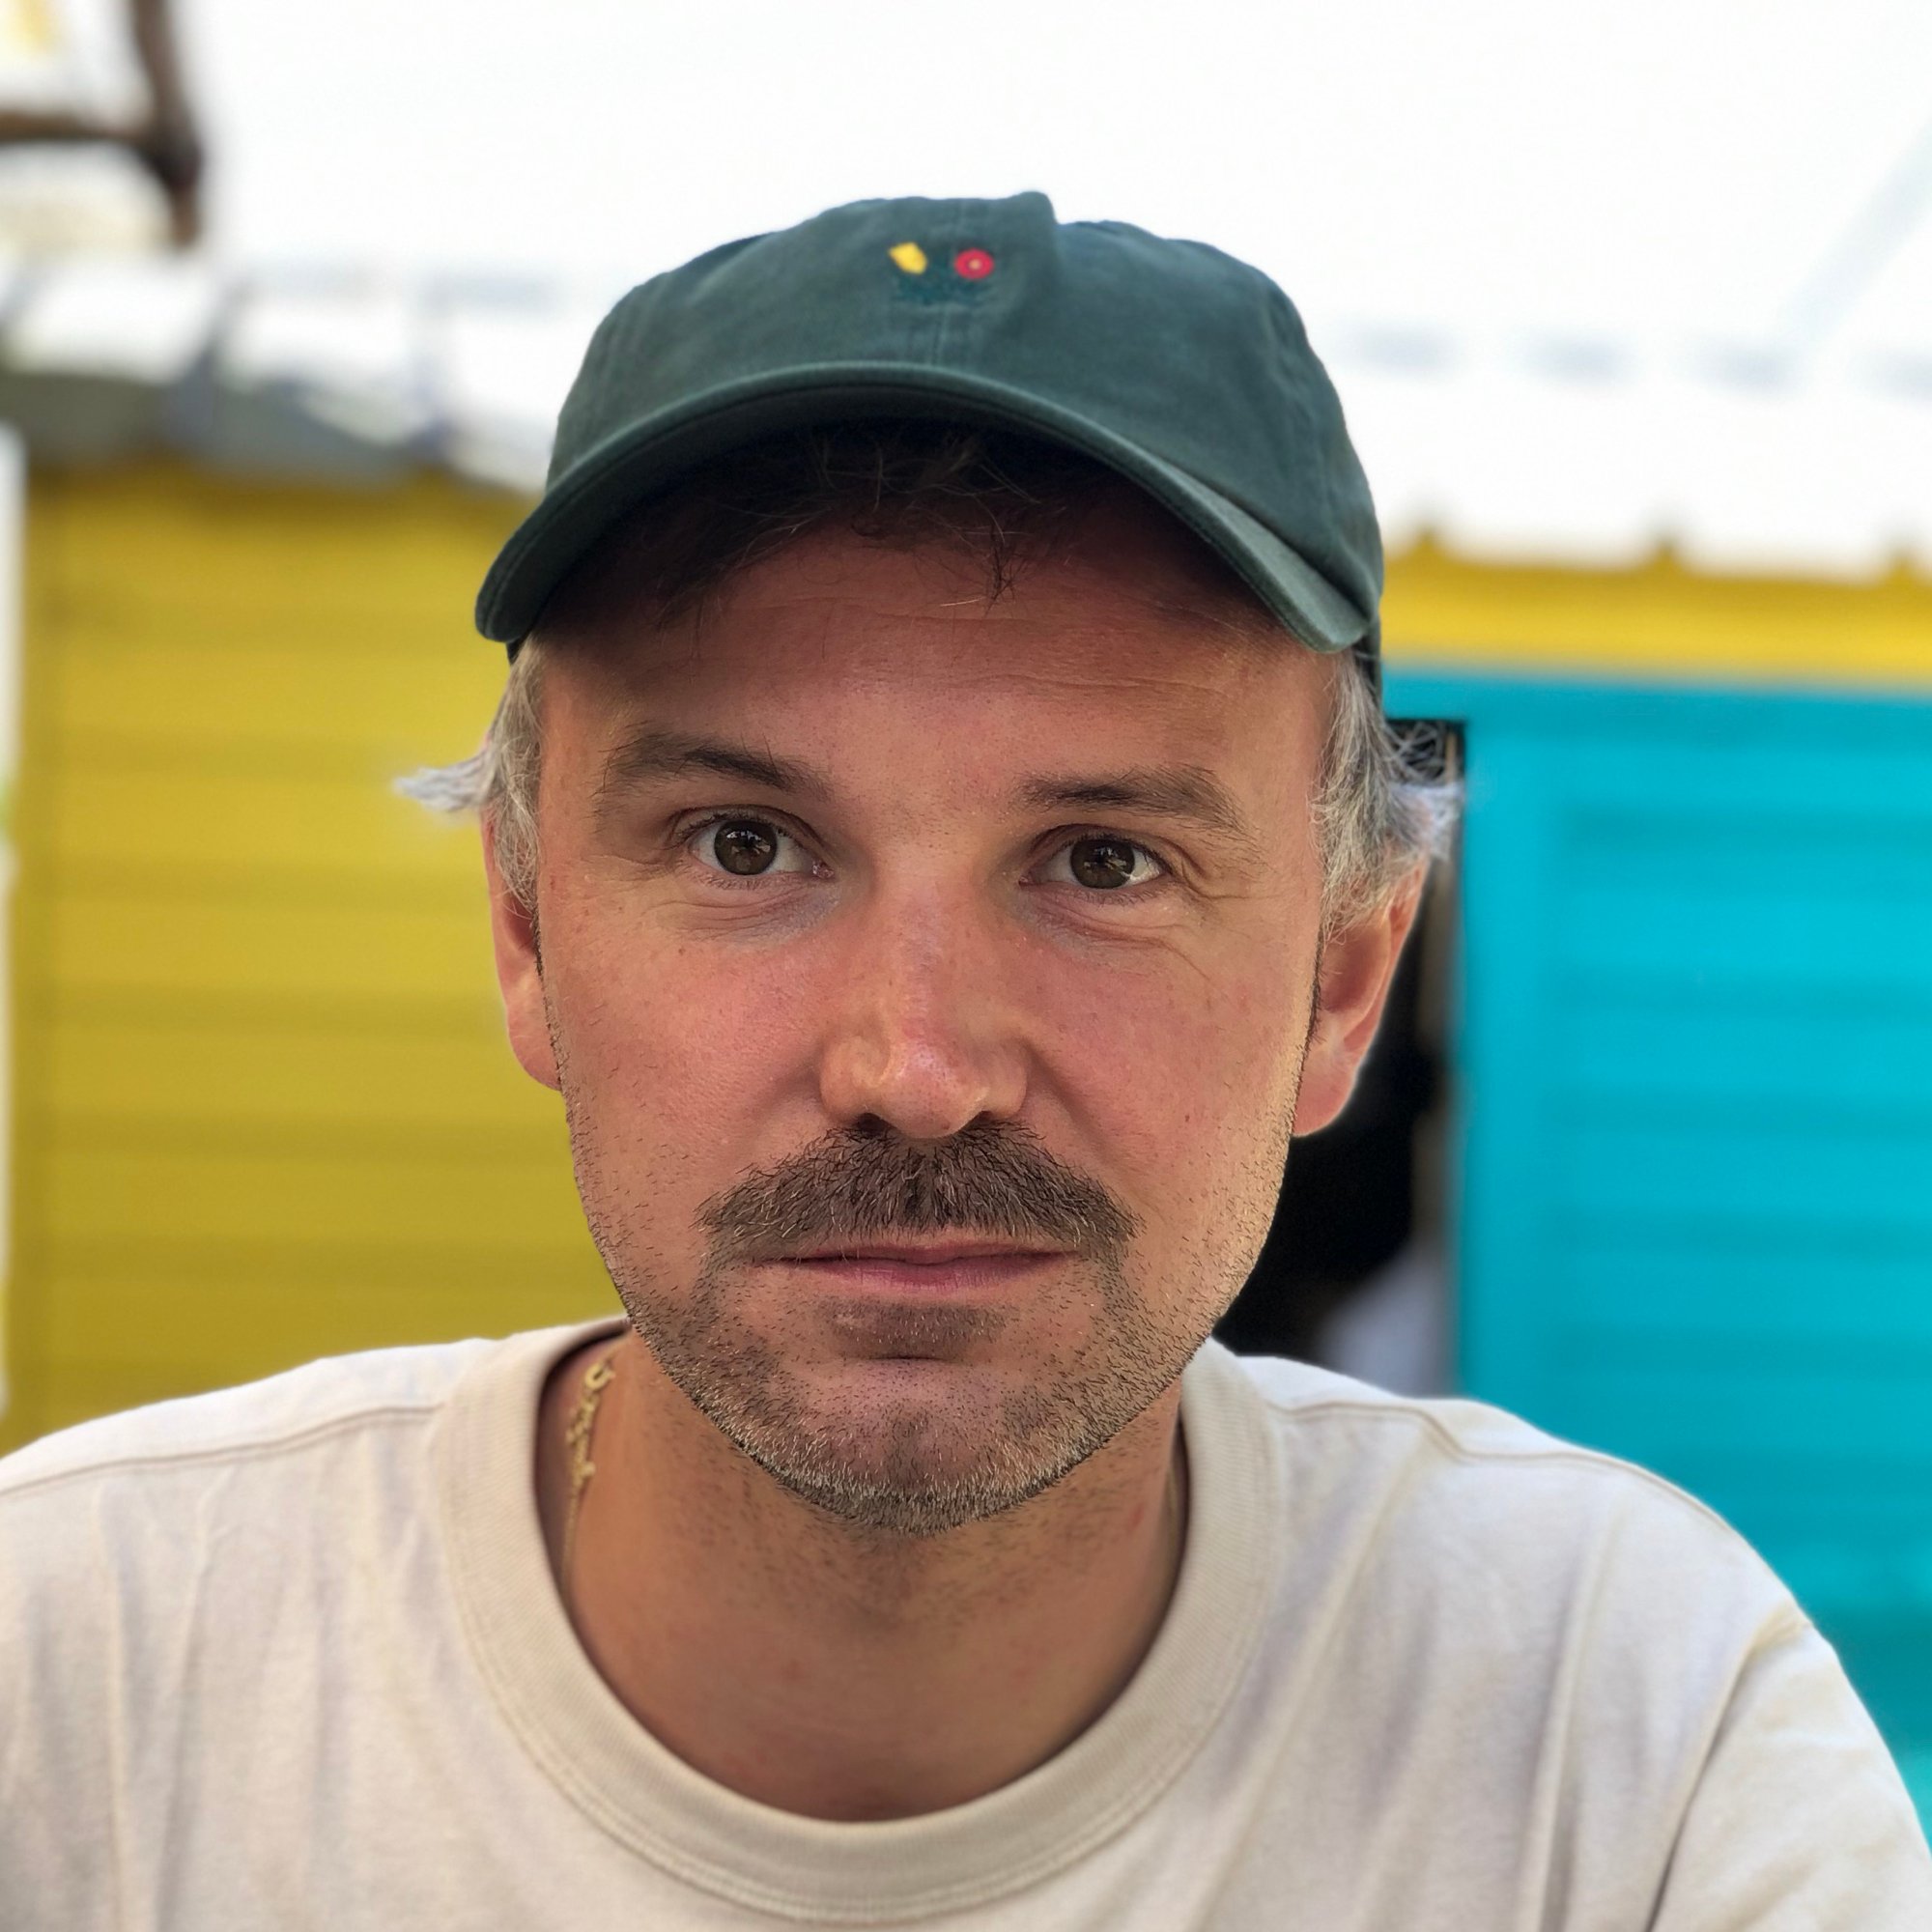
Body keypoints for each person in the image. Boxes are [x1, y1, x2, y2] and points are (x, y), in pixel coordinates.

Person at [2, 192, 1927, 1930]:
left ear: (1344, 984)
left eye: (1103, 863)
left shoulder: (1632, 1738)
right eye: (744, 847)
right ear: (526, 933)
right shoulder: (75, 1681)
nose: (914, 1068)